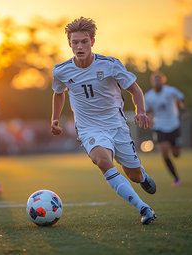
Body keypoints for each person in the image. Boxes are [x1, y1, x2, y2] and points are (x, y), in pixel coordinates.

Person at [50, 17, 157, 224]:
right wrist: (54, 119)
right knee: (103, 161)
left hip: (116, 126)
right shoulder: (61, 70)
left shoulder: (110, 65)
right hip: (89, 129)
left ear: (92, 41)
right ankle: (143, 208)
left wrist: (141, 110)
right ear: (69, 43)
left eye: (84, 41)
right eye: (75, 42)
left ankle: (142, 177)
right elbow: (58, 93)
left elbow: (134, 89)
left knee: (134, 175)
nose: (79, 46)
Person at [145, 71, 188, 187]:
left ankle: (176, 148)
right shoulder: (148, 96)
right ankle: (176, 178)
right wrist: (150, 121)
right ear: (152, 81)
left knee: (176, 154)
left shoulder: (171, 90)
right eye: (155, 79)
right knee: (164, 152)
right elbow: (148, 111)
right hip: (160, 126)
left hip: (174, 125)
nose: (157, 81)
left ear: (163, 80)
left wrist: (185, 110)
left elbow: (181, 98)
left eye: (159, 79)